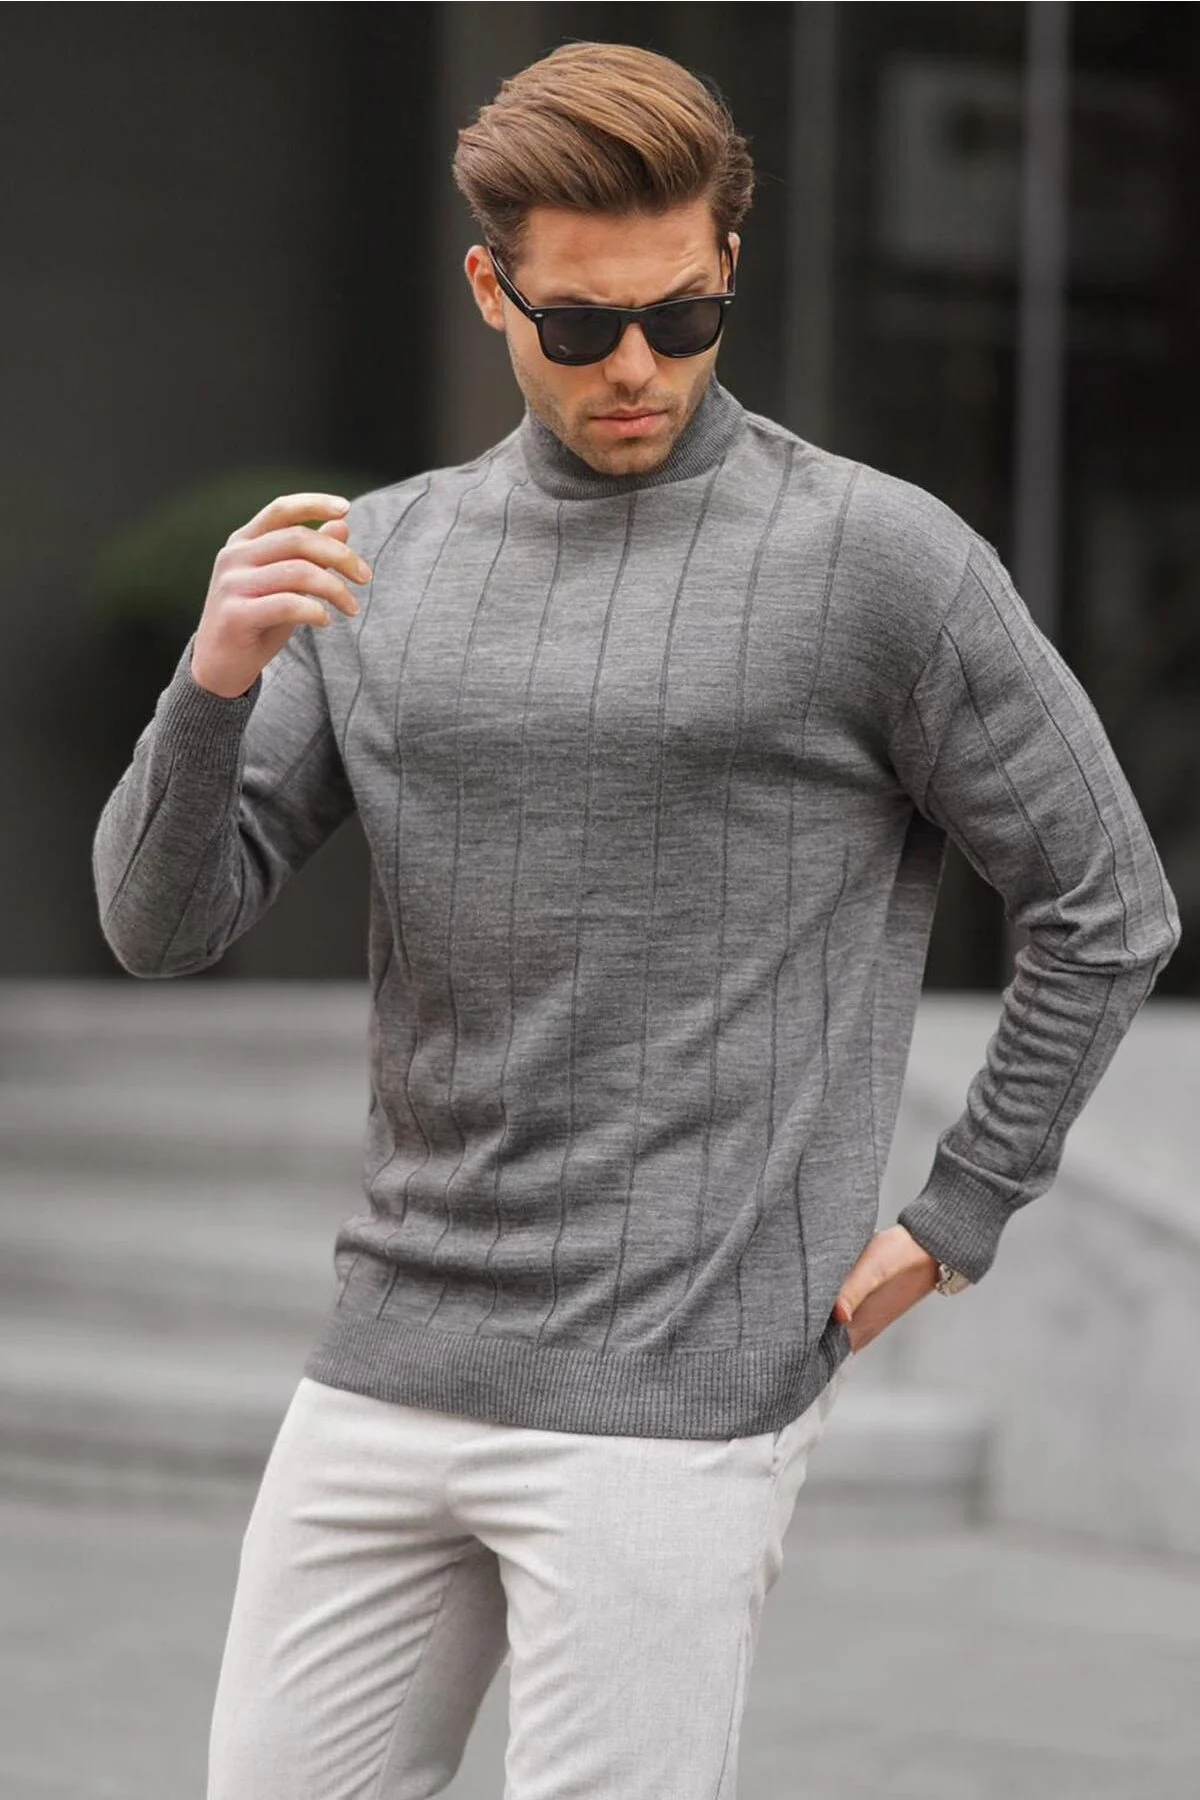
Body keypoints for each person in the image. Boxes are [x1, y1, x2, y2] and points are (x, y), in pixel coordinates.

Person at [92, 39, 1180, 1800]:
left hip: (674, 1403)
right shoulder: (386, 560)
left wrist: (959, 1215)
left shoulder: (880, 561)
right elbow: (161, 926)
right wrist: (213, 682)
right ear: (491, 290)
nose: (636, 367)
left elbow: (1107, 901)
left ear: (729, 267)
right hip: (389, 1360)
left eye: (683, 318)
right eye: (583, 322)